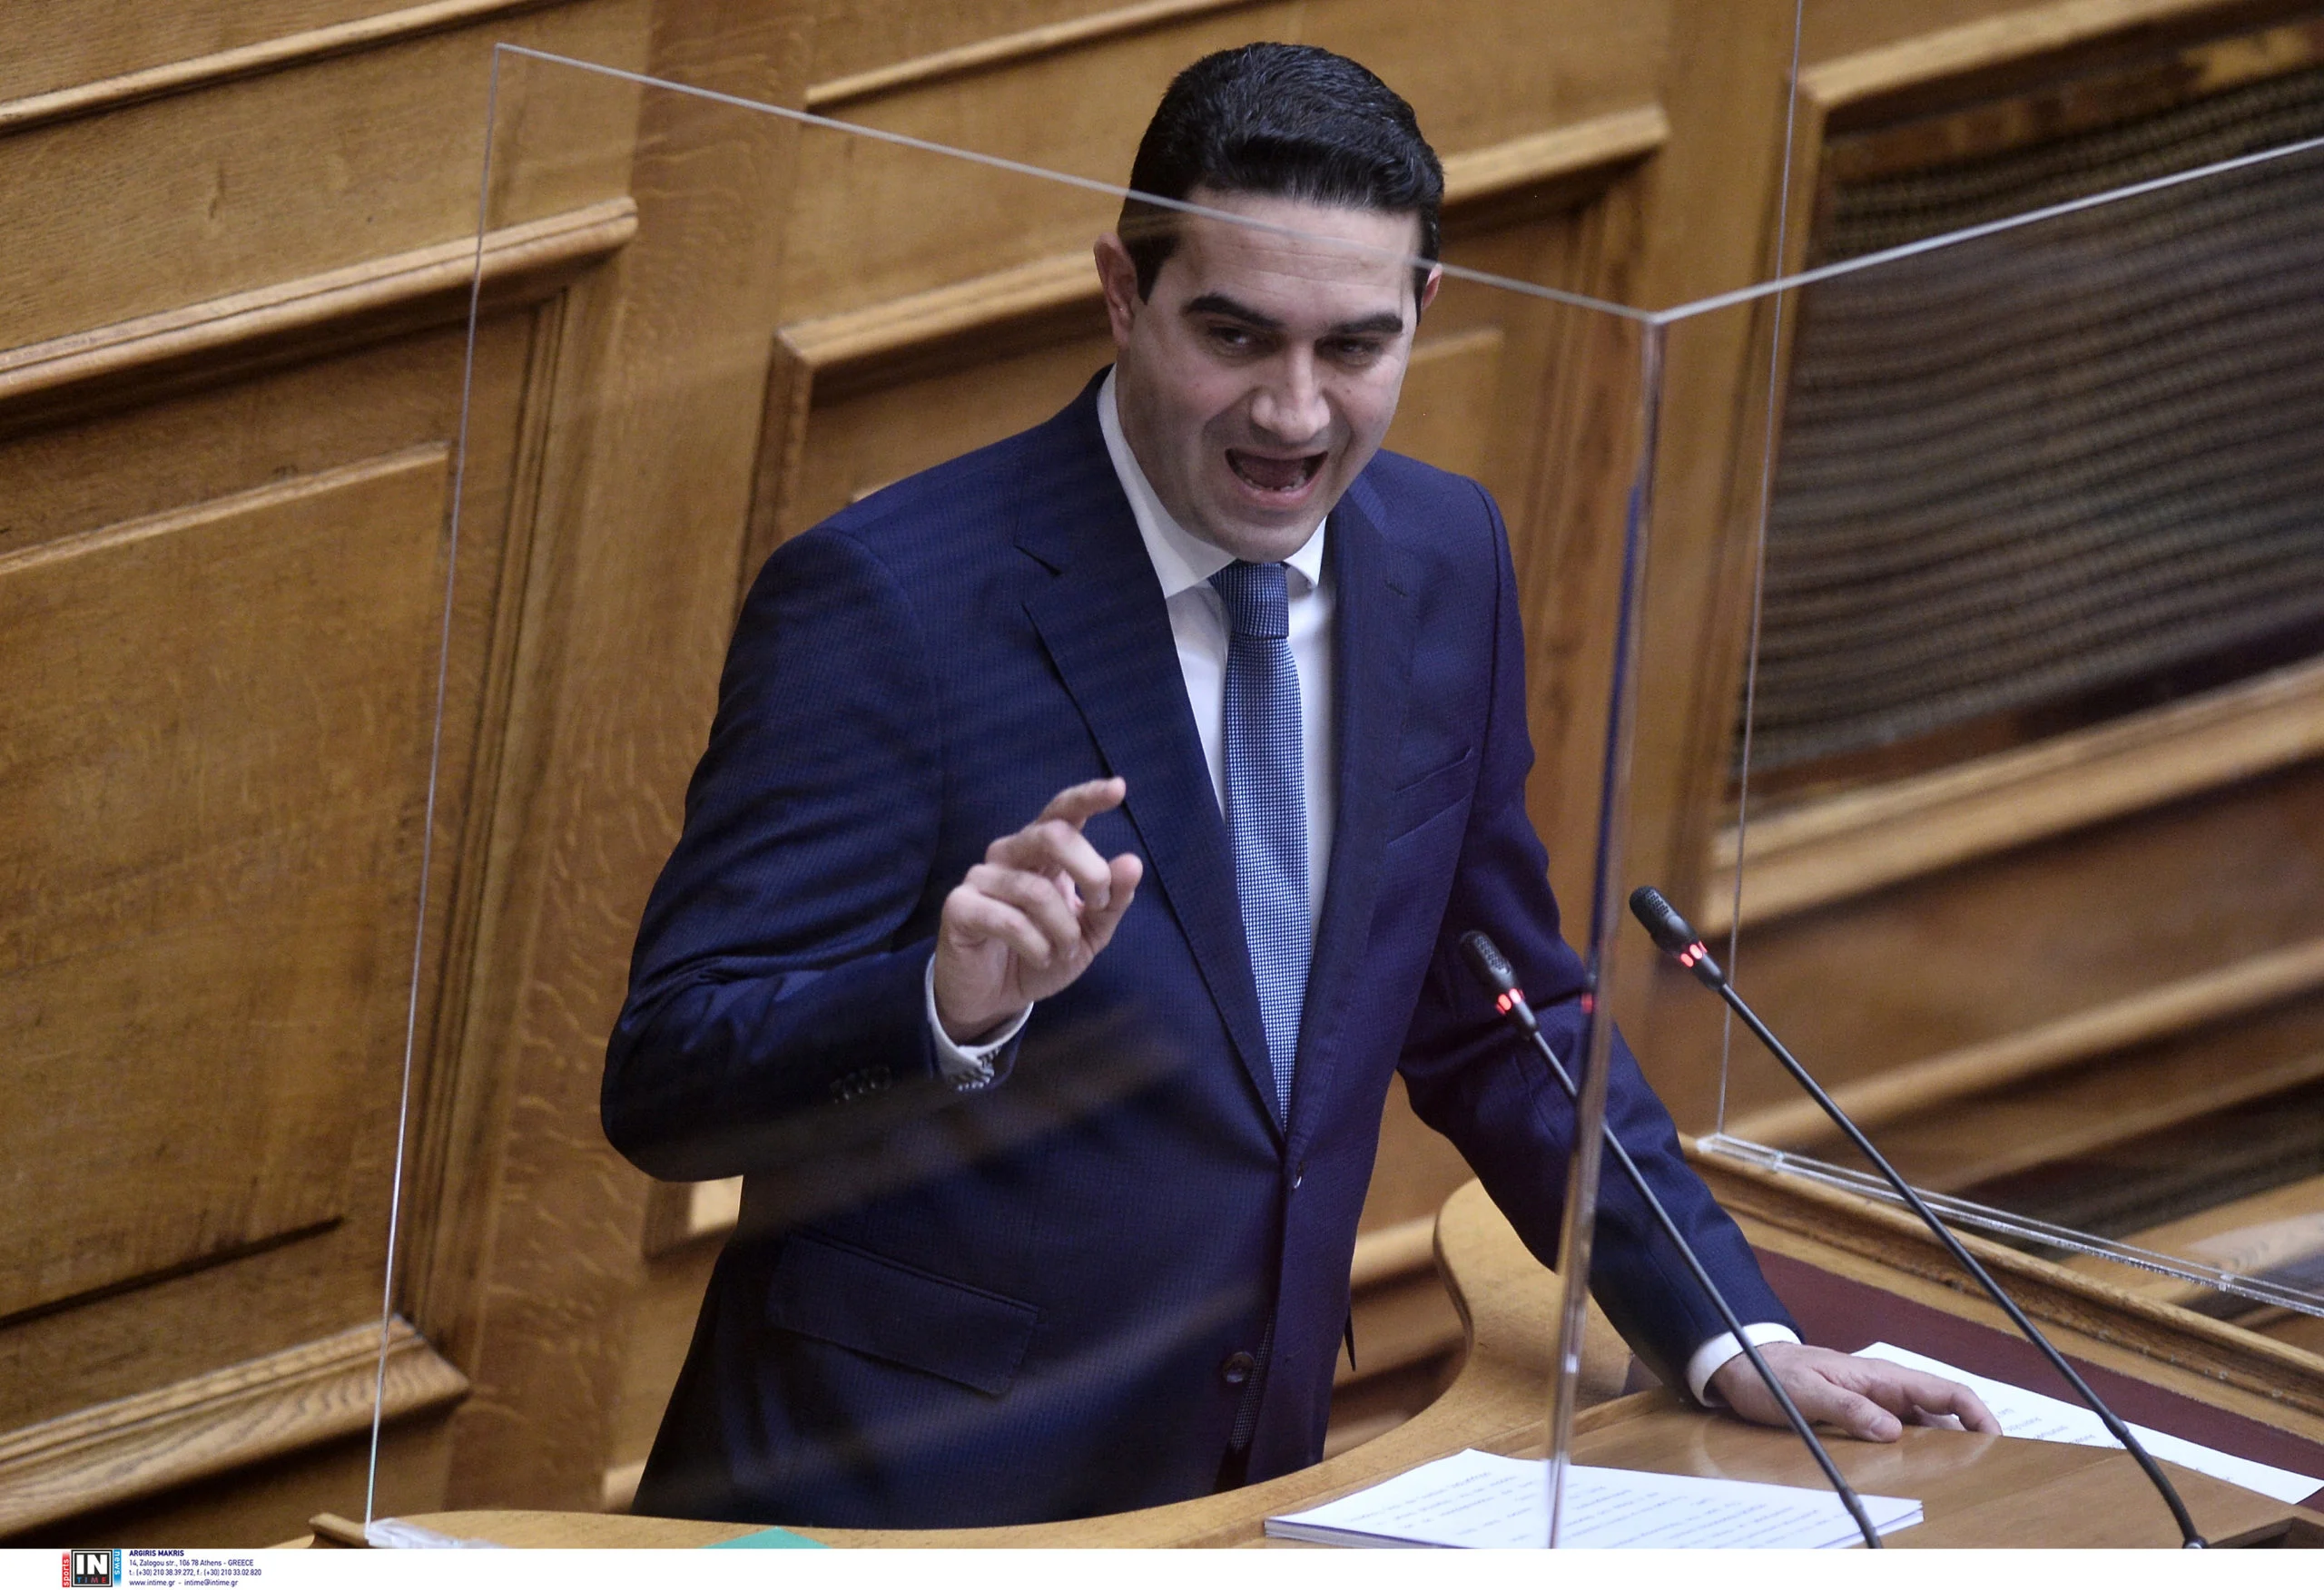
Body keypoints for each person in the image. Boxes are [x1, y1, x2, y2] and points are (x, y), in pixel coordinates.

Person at [602, 42, 1994, 1529]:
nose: (1293, 413)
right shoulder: (888, 602)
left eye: (1353, 348)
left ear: (1424, 312)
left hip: (1253, 1483)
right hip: (899, 1507)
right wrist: (946, 1006)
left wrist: (1729, 1330)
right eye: (1236, 336)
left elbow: (1500, 1008)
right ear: (1123, 294)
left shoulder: (1443, 557)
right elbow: (668, 1081)